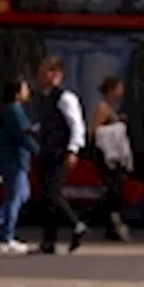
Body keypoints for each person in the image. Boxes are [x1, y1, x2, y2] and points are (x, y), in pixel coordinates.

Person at [32, 57, 89, 255]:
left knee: (53, 194)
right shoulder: (44, 98)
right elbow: (49, 123)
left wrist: (73, 149)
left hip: (60, 152)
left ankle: (76, 224)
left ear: (57, 75)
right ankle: (49, 241)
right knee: (46, 197)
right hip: (46, 150)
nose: (40, 76)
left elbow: (76, 125)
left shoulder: (65, 98)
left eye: (45, 72)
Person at [0, 77, 38, 254]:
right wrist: (38, 151)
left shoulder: (14, 110)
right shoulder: (13, 111)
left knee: (22, 194)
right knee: (15, 197)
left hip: (14, 158)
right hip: (12, 159)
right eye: (25, 89)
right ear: (17, 93)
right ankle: (7, 237)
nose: (28, 92)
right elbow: (22, 136)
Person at [89, 77, 131, 241]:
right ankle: (107, 221)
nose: (121, 92)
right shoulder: (102, 107)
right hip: (105, 155)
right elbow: (94, 130)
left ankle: (111, 225)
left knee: (115, 190)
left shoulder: (113, 108)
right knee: (110, 190)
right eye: (119, 88)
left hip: (114, 156)